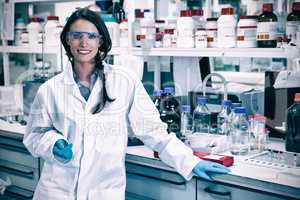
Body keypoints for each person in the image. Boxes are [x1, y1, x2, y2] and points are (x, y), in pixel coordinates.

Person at [23, 8, 230, 200]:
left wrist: (190, 161)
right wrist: (52, 144)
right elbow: (34, 135)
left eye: (91, 36)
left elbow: (154, 132)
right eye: (77, 35)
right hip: (58, 192)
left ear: (100, 41)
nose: (84, 43)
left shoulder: (124, 81)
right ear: (68, 40)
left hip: (104, 192)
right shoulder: (50, 89)